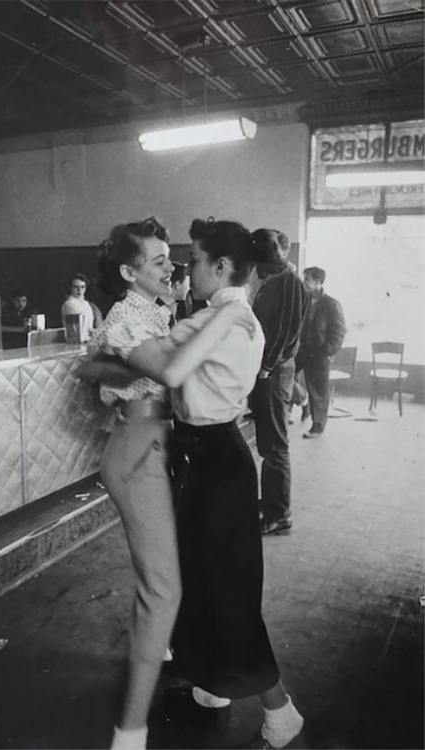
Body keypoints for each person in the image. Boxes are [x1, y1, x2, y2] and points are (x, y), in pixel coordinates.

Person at [124, 218, 304, 750]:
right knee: (205, 582)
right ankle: (212, 689)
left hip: (214, 462)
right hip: (216, 456)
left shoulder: (218, 319)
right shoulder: (238, 314)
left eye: (195, 260)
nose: (187, 269)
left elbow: (157, 362)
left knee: (227, 592)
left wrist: (117, 335)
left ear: (221, 266)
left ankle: (282, 712)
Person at [80, 217, 251, 750]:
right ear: (130, 271)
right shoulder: (129, 317)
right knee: (164, 590)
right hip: (139, 451)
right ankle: (130, 730)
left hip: (161, 446)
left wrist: (102, 368)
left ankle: (175, 658)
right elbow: (171, 368)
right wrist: (228, 313)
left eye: (172, 259)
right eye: (158, 260)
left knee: (177, 575)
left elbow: (97, 368)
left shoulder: (152, 310)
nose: (172, 266)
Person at [248, 229, 308, 536]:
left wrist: (266, 367)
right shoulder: (275, 281)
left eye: (259, 263)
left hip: (274, 371)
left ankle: (279, 514)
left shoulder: (289, 283)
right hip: (269, 370)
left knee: (275, 446)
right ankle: (272, 503)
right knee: (270, 444)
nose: (256, 270)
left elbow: (286, 331)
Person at [297, 266, 346, 439]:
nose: (304, 283)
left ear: (318, 283)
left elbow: (339, 332)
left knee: (319, 391)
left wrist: (327, 351)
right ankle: (303, 401)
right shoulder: (304, 300)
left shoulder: (331, 304)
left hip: (320, 354)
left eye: (308, 280)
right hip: (303, 351)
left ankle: (317, 427)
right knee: (285, 375)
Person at [61, 272, 103, 341]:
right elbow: (79, 329)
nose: (79, 290)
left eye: (82, 287)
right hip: (76, 342)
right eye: (76, 287)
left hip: (89, 340)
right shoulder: (69, 304)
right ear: (70, 288)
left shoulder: (86, 304)